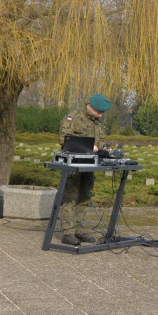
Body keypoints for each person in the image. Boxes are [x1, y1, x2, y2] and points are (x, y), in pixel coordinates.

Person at [57, 94, 109, 245]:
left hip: (90, 165)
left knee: (84, 198)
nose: (100, 115)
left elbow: (102, 140)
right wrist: (87, 147)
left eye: (102, 113)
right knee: (70, 198)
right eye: (98, 112)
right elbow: (63, 139)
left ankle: (79, 230)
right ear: (91, 106)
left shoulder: (98, 123)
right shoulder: (73, 118)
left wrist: (104, 148)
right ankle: (68, 233)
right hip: (73, 165)